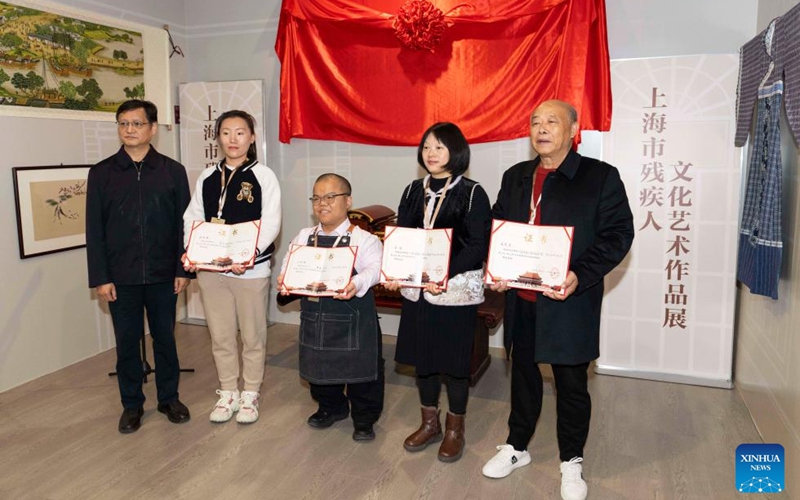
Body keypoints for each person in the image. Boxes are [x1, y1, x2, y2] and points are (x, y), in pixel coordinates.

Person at [481, 100, 634, 500]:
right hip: (522, 300)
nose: (541, 128)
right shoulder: (516, 176)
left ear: (573, 129)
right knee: (524, 376)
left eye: (552, 121)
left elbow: (618, 234)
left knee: (571, 383)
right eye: (535, 121)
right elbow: (499, 226)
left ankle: (572, 460)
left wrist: (579, 275)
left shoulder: (599, 177)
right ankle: (517, 447)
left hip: (569, 300)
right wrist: (495, 268)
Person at [385, 122, 491, 462]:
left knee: (454, 365)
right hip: (417, 291)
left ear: (456, 152)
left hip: (453, 292)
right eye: (427, 146)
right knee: (424, 363)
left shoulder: (473, 193)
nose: (431, 153)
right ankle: (429, 424)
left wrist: (444, 272)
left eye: (440, 147)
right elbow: (402, 237)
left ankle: (455, 430)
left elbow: (477, 246)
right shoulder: (412, 190)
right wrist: (394, 271)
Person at [86, 99, 192, 434]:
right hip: (121, 277)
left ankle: (168, 398)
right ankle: (132, 405)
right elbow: (94, 230)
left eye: (136, 123)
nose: (129, 130)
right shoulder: (102, 173)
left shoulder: (172, 171)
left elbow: (184, 224)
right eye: (123, 124)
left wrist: (184, 268)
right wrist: (101, 278)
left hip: (164, 274)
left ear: (152, 128)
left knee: (165, 339)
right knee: (127, 344)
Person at [183, 110, 281, 424]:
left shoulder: (263, 176)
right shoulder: (207, 177)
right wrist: (195, 251)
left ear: (252, 138)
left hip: (250, 271)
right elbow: (192, 219)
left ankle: (250, 393)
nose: (233, 139)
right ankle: (227, 392)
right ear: (218, 138)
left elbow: (271, 223)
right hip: (211, 271)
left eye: (240, 132)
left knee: (253, 335)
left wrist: (246, 256)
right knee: (221, 335)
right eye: (226, 132)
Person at [277, 174, 385, 441]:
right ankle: (332, 408)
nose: (321, 203)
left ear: (347, 201)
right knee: (319, 369)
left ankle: (363, 420)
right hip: (316, 318)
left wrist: (357, 281)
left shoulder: (364, 239)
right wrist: (285, 279)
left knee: (362, 375)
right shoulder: (304, 236)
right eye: (316, 197)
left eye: (329, 197)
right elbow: (288, 266)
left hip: (354, 319)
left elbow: (377, 269)